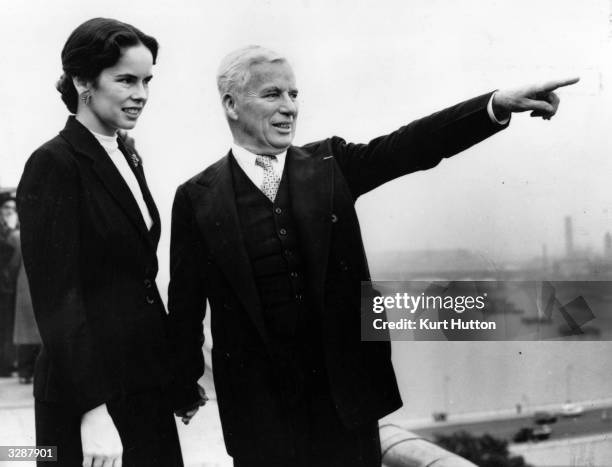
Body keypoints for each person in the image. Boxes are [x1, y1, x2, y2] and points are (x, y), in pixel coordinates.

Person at [168, 45, 578, 467]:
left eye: (295, 95)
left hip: (346, 409)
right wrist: (183, 386)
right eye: (273, 95)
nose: (290, 108)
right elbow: (184, 309)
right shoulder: (197, 199)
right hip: (259, 421)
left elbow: (413, 145)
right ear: (231, 105)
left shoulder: (329, 164)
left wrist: (494, 105)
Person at [18, 18, 183, 467]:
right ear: (83, 82)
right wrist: (93, 412)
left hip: (142, 383)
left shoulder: (125, 152)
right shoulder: (54, 163)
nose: (141, 94)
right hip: (87, 395)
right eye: (126, 80)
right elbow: (57, 300)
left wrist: (173, 378)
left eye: (147, 80)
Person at [0, 191, 18, 377]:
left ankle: (7, 361)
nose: (9, 211)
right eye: (6, 208)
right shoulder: (7, 230)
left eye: (12, 208)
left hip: (7, 285)